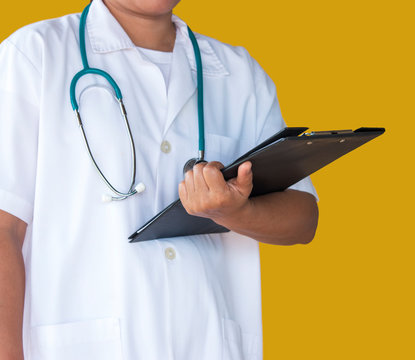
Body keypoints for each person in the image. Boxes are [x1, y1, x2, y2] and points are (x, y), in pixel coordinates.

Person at [0, 0, 318, 358]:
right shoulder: (34, 54)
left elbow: (303, 219)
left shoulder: (239, 73)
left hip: (207, 343)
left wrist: (234, 212)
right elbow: (3, 230)